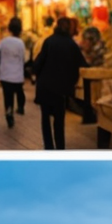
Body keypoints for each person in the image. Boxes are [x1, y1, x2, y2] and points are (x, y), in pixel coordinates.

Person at [32, 18, 84, 150]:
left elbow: (38, 62)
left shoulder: (49, 41)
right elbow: (82, 64)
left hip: (45, 86)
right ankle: (60, 147)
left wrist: (35, 73)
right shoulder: (72, 45)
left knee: (45, 119)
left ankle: (48, 147)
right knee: (59, 120)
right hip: (61, 89)